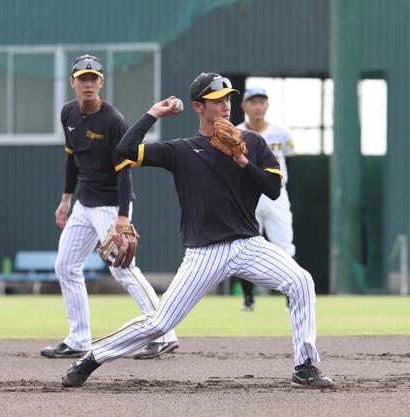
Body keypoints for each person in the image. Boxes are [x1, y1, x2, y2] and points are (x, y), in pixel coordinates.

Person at [61, 72, 334, 389]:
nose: (225, 106)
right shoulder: (181, 150)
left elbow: (273, 189)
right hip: (205, 252)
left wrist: (243, 160)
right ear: (198, 106)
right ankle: (92, 358)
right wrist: (155, 112)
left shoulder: (252, 143)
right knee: (160, 322)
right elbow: (124, 150)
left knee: (301, 281)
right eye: (217, 100)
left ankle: (304, 365)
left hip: (249, 245)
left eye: (228, 98)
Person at [41, 54, 178, 360]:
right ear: (73, 82)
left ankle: (165, 332)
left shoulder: (113, 120)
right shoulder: (68, 114)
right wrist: (65, 198)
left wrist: (122, 219)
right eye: (82, 78)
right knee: (65, 266)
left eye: (93, 78)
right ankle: (78, 339)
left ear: (101, 82)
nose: (87, 83)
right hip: (83, 204)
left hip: (111, 205)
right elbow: (72, 158)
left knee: (124, 270)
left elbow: (124, 170)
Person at [236, 87, 296, 312]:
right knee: (244, 245)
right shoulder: (235, 132)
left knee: (284, 244)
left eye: (262, 101)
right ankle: (248, 299)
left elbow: (289, 160)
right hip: (248, 195)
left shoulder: (282, 133)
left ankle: (291, 297)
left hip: (276, 195)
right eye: (253, 102)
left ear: (267, 105)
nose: (258, 106)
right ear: (244, 106)